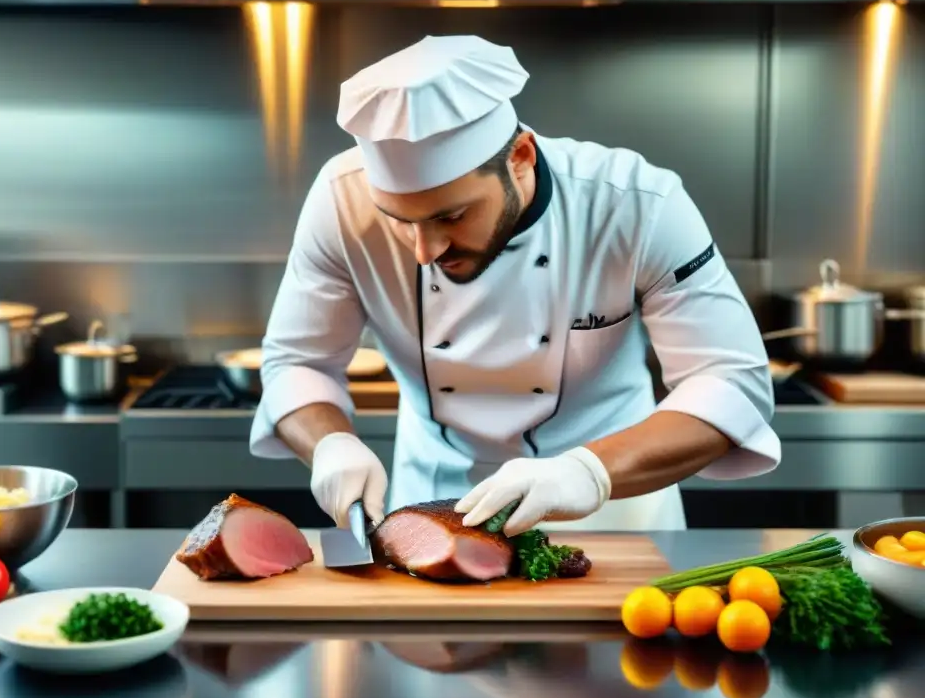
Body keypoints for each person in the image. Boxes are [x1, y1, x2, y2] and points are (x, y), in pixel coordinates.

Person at [249, 35, 780, 535]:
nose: (424, 251)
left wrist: (587, 472)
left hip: (613, 514)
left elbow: (732, 383)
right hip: (430, 510)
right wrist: (331, 445)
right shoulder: (341, 202)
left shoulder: (636, 204)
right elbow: (298, 363)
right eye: (398, 220)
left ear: (520, 158)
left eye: (451, 216)